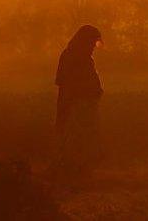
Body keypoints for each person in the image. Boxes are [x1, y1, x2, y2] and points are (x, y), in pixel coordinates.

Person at [53, 24, 104, 179]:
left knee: (81, 139)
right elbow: (67, 84)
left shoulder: (79, 56)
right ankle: (72, 170)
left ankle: (77, 170)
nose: (94, 47)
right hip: (75, 106)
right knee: (74, 138)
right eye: (92, 42)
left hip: (82, 106)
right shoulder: (73, 57)